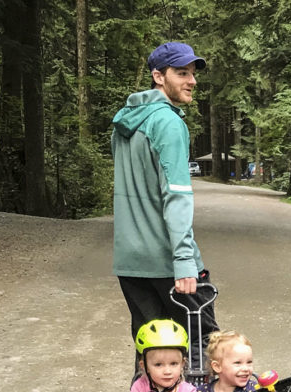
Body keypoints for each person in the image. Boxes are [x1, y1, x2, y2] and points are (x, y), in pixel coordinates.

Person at [111, 41, 218, 359]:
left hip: (131, 262)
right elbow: (177, 196)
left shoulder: (125, 124)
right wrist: (185, 262)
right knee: (204, 349)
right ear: (159, 76)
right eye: (182, 73)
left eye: (193, 74)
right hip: (169, 263)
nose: (192, 81)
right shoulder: (169, 123)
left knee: (153, 356)